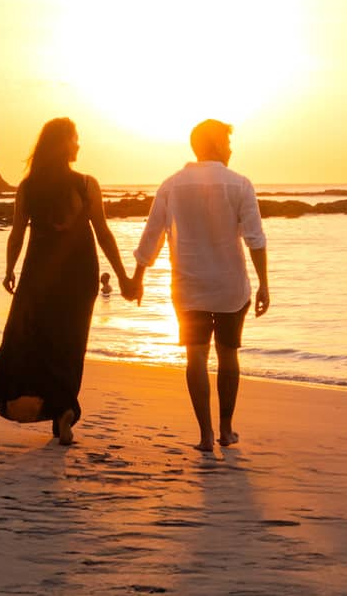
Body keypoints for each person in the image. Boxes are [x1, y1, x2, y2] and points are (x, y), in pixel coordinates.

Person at [0, 118, 135, 445]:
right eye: (75, 139)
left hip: (39, 275)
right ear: (63, 142)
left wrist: (10, 270)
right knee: (70, 343)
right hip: (80, 275)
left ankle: (54, 407)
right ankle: (64, 409)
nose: (79, 145)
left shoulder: (29, 186)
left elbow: (17, 233)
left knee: (34, 341)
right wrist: (122, 276)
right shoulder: (86, 184)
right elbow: (104, 234)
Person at [132, 119, 269, 452]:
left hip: (189, 287)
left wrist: (137, 278)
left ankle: (205, 434)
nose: (231, 149)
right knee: (228, 356)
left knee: (195, 358)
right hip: (230, 287)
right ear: (217, 144)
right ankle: (226, 429)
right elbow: (255, 238)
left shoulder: (171, 185)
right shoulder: (240, 185)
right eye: (228, 142)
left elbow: (152, 235)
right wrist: (264, 283)